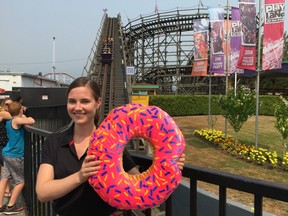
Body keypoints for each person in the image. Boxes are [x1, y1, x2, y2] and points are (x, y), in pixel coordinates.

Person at [36, 77, 185, 216]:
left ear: (98, 102)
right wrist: (81, 176)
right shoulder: (54, 142)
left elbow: (139, 185)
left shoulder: (112, 144)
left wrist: (168, 165)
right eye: (72, 101)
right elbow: (42, 193)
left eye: (85, 101)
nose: (78, 107)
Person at [0, 101, 35, 214]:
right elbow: (31, 121)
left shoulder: (9, 121)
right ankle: (10, 207)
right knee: (20, 181)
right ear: (20, 110)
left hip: (6, 153)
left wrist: (21, 112)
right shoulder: (16, 120)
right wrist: (25, 114)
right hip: (15, 155)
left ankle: (0, 205)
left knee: (4, 179)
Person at [0, 97, 13, 198]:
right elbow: (16, 117)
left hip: (5, 143)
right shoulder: (3, 113)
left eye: (11, 105)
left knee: (4, 168)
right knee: (5, 167)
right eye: (7, 105)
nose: (8, 107)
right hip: (2, 144)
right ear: (3, 105)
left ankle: (5, 189)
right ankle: (6, 189)